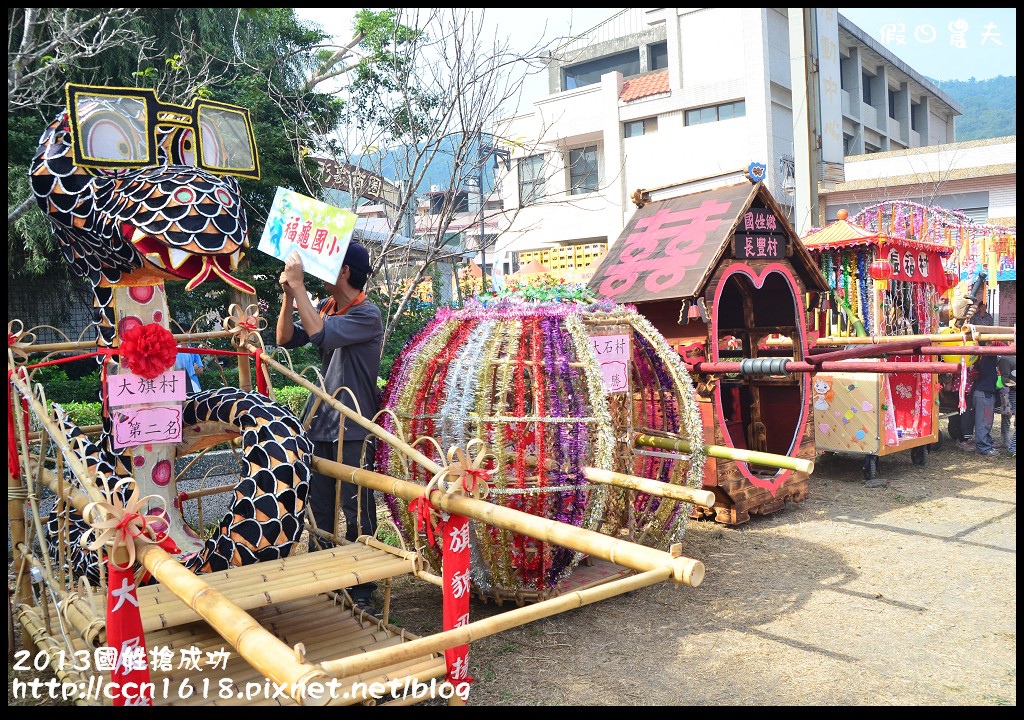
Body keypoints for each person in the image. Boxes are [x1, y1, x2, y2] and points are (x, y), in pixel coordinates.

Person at [276, 242, 383, 614]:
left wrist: (300, 285)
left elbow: (320, 333)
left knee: (357, 511)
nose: (320, 272)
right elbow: (285, 338)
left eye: (328, 266)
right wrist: (289, 295)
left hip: (354, 426)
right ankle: (327, 582)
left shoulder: (367, 314)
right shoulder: (324, 307)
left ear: (345, 273)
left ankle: (363, 587)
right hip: (321, 422)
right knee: (320, 510)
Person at [965, 348, 999, 456]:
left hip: (982, 393)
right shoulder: (988, 356)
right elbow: (999, 344)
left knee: (986, 421)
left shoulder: (981, 357)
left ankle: (986, 442)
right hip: (984, 394)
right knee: (983, 422)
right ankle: (983, 448)